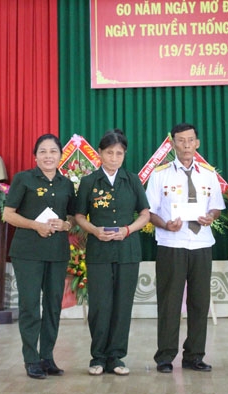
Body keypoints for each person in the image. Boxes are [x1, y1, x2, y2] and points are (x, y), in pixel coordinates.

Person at [145, 123, 225, 374]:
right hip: (172, 244)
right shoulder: (160, 174)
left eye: (191, 140)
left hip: (201, 243)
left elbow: (216, 206)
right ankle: (165, 356)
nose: (186, 145)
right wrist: (165, 225)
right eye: (181, 140)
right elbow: (149, 212)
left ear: (197, 143)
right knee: (169, 302)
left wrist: (211, 216)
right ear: (173, 144)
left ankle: (195, 356)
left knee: (200, 302)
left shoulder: (209, 174)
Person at [74, 129, 150, 376]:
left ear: (124, 155)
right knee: (100, 305)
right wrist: (94, 230)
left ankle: (116, 357)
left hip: (128, 251)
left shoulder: (132, 180)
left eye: (119, 153)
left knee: (122, 305)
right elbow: (78, 216)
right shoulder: (89, 182)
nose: (114, 157)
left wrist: (128, 230)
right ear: (100, 154)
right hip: (99, 251)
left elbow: (145, 214)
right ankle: (98, 357)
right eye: (109, 153)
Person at [3, 134, 76, 379]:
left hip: (57, 253)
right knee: (30, 306)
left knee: (54, 306)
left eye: (53, 151)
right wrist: (36, 226)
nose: (48, 156)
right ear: (35, 156)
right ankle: (31, 359)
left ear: (60, 156)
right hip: (28, 253)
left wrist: (65, 225)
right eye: (43, 151)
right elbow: (8, 214)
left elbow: (73, 218)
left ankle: (47, 357)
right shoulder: (23, 179)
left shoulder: (66, 184)